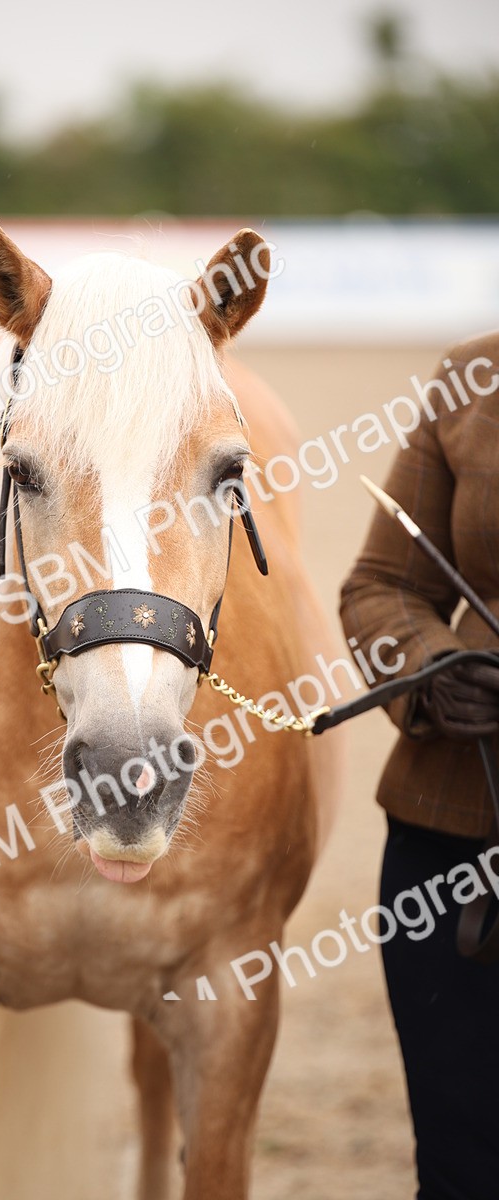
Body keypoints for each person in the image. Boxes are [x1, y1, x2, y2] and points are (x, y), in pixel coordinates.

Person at [340, 330, 499, 1200]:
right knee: (459, 1161)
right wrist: (432, 668)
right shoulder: (474, 376)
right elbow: (382, 585)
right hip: (451, 845)